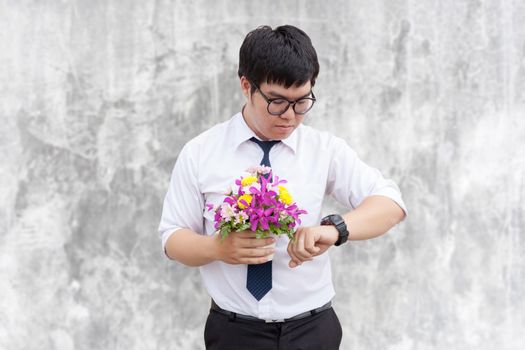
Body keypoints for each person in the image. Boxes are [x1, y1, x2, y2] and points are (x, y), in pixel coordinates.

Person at [158, 24, 407, 350]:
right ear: (246, 86)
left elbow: (391, 204)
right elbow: (172, 237)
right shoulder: (201, 152)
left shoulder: (324, 150)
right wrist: (218, 249)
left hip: (312, 330)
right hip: (234, 333)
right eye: (277, 102)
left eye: (302, 102)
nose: (290, 115)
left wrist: (335, 229)